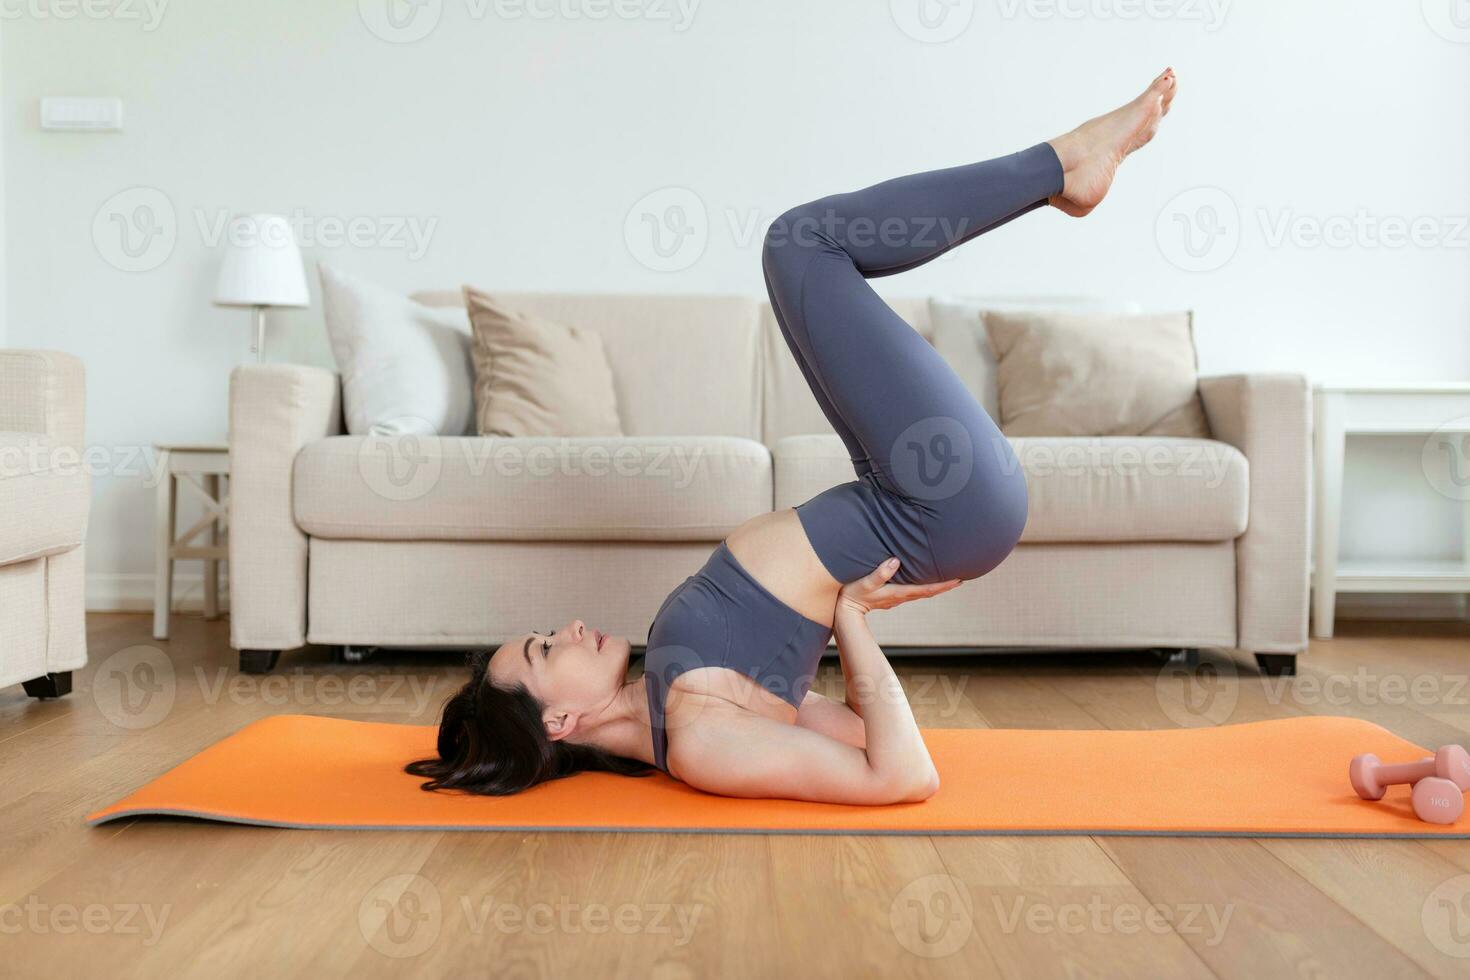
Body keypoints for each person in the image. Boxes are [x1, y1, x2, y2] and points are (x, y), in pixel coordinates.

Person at [409, 69, 1178, 803]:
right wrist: (851, 621)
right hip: (940, 506)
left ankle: (1060, 172)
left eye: (545, 634)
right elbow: (903, 776)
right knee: (799, 245)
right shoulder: (702, 739)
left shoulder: (672, 697)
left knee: (801, 252)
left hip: (899, 492)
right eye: (547, 649)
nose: (567, 628)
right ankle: (1063, 162)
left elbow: (855, 740)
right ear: (560, 723)